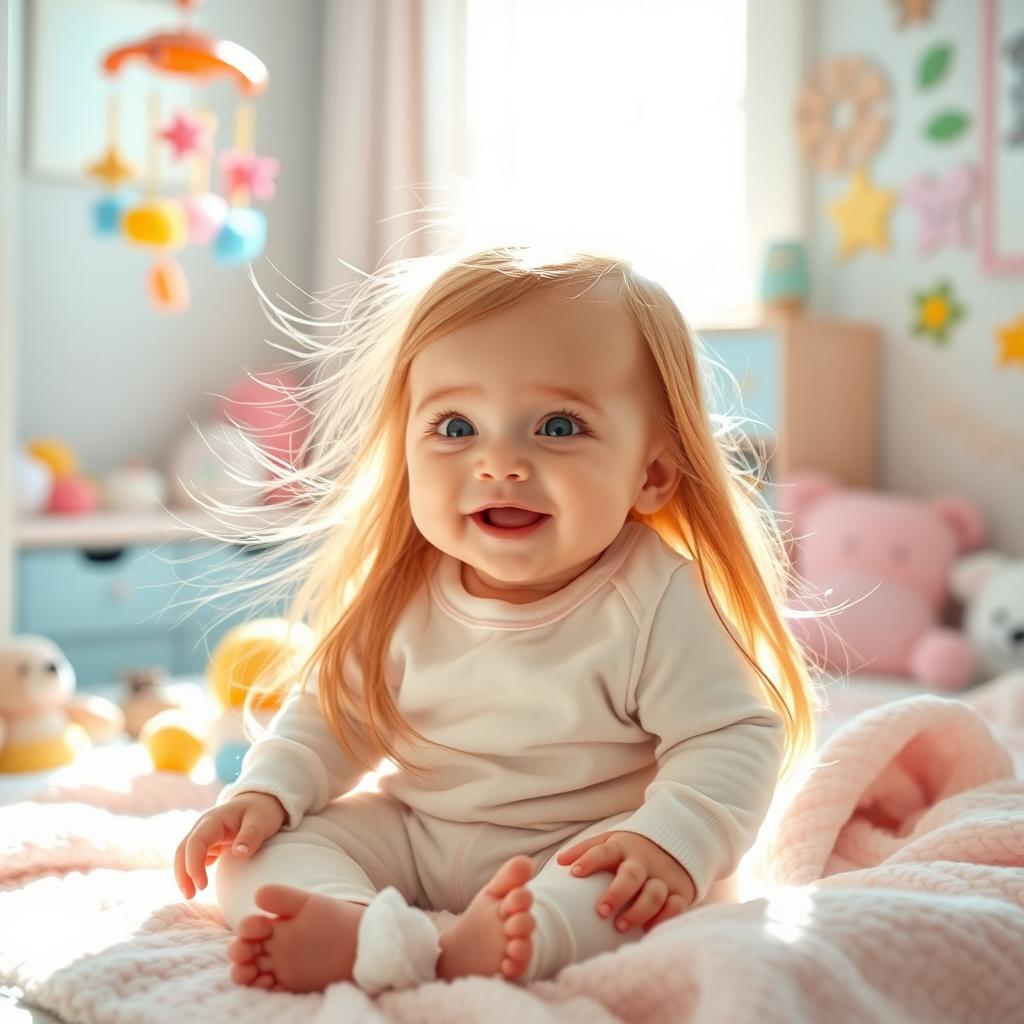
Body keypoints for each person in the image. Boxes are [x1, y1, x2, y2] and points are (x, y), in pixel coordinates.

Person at [173, 245, 819, 995]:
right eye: (454, 427)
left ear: (651, 474)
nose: (500, 462)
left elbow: (732, 736)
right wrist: (265, 792)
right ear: (406, 452)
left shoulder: (657, 596)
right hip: (418, 834)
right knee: (254, 853)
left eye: (556, 425)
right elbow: (332, 716)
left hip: (579, 848)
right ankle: (359, 928)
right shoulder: (404, 588)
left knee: (634, 893)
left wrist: (665, 841)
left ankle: (507, 943)